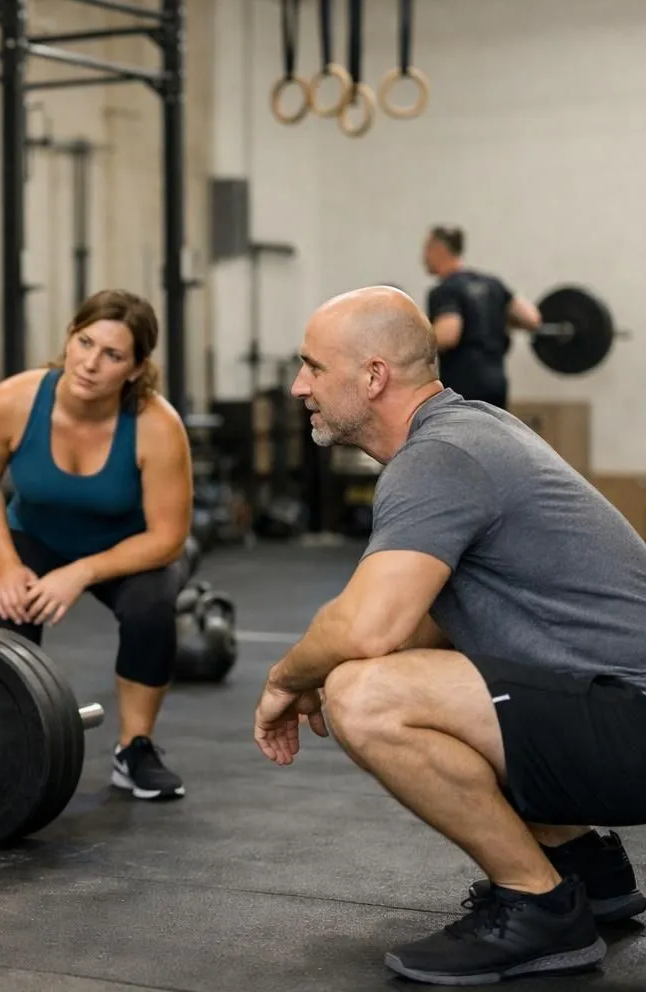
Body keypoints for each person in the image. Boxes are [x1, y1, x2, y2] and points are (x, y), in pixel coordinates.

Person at [255, 285, 646, 986]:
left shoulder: (439, 458)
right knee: (406, 668)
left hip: (632, 721)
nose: (298, 385)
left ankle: (539, 903)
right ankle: (585, 866)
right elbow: (425, 621)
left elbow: (367, 625)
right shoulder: (472, 429)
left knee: (365, 694)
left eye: (313, 366)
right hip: (619, 713)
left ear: (373, 376)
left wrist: (289, 678)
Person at [0, 289, 194, 801]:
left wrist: (80, 573)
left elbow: (168, 537)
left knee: (151, 609)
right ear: (69, 336)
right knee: (8, 629)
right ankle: (13, 749)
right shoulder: (12, 403)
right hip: (33, 539)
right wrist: (6, 564)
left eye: (112, 355)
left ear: (135, 369)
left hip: (127, 548)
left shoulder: (157, 426)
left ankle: (135, 749)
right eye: (85, 342)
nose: (91, 363)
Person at [422, 225, 542, 409]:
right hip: (497, 382)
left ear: (439, 249)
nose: (424, 258)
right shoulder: (492, 284)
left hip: (463, 387)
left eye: (427, 249)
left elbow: (448, 335)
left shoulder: (445, 290)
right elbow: (532, 318)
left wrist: (416, 344)